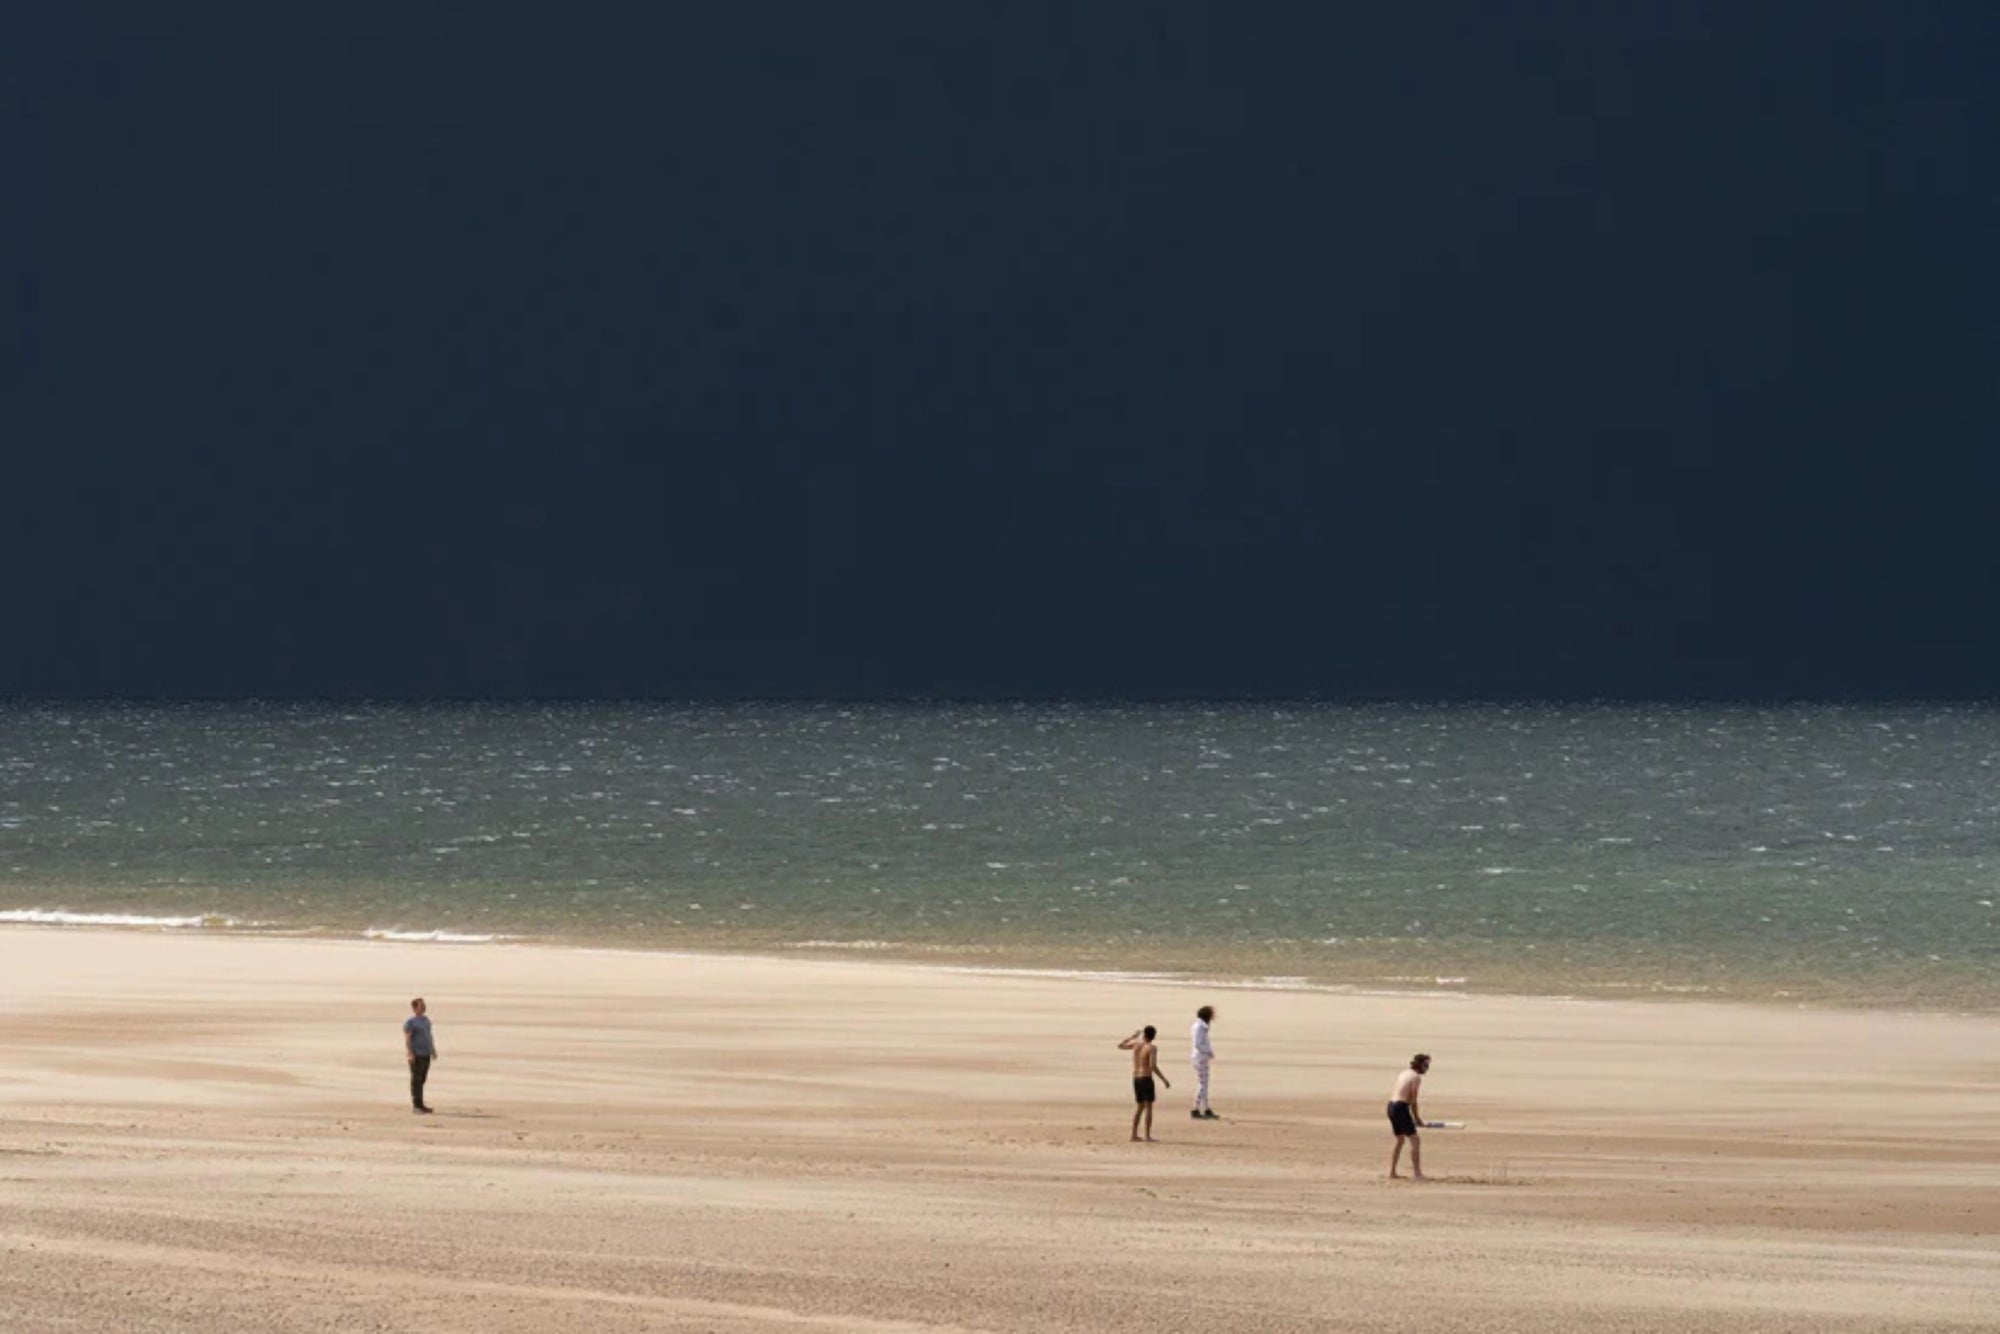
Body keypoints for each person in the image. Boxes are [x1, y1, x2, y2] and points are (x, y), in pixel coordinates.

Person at [1118, 1025, 1171, 1141]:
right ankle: (1147, 1135)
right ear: (1154, 1036)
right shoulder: (1151, 1048)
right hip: (1146, 1078)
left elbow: (1120, 1046)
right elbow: (1152, 1066)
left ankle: (1134, 1134)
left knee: (1140, 1107)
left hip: (1136, 1078)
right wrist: (1164, 1079)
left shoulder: (1136, 1045)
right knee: (1148, 1107)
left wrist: (1132, 1037)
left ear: (1144, 1034)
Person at [1387, 1052, 1430, 1179]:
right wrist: (1417, 1119)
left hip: (1391, 1106)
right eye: (1426, 1065)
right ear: (1420, 1065)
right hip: (1400, 1107)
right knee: (1415, 1140)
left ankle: (1392, 1172)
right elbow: (1413, 1101)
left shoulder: (1404, 1073)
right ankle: (1417, 1173)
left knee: (1400, 1139)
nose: (1427, 1069)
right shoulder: (1416, 1077)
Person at [403, 997, 437, 1114]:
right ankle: (416, 1106)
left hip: (426, 1053)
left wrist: (433, 1050)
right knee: (416, 1080)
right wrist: (410, 1054)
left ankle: (421, 1105)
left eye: (424, 1005)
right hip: (416, 1055)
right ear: (414, 1008)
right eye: (421, 1006)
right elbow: (407, 1039)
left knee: (422, 1080)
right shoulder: (410, 1022)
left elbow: (429, 1036)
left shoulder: (426, 1020)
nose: (423, 1007)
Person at [1189, 1005, 1217, 1119]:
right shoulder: (1200, 1027)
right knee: (1203, 1084)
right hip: (1200, 1057)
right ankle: (1196, 1108)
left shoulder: (1200, 1025)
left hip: (1201, 1057)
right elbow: (1198, 1044)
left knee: (1204, 1084)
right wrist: (1208, 1051)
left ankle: (1206, 1108)